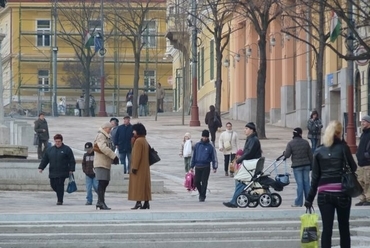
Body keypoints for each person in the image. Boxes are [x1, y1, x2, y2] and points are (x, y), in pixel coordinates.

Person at [304, 120, 357, 248]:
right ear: (339, 133)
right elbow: (353, 167)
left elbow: (315, 177)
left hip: (324, 194)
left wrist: (309, 198)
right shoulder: (344, 148)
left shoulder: (318, 150)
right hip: (342, 192)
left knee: (327, 229)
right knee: (344, 227)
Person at [223, 122, 262, 208]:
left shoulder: (253, 140)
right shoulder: (251, 139)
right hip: (250, 164)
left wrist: (239, 160)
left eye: (247, 128)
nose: (245, 130)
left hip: (251, 165)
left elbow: (248, 153)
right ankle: (236, 198)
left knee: (239, 180)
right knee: (239, 180)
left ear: (252, 130)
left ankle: (234, 201)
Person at [38, 134, 76, 205]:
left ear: (61, 141)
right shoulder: (50, 150)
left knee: (60, 185)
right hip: (53, 171)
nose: (57, 143)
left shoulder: (67, 149)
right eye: (56, 141)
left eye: (59, 141)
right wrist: (41, 167)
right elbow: (45, 160)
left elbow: (71, 160)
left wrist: (71, 169)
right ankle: (59, 192)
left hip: (63, 172)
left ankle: (60, 200)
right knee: (53, 185)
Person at [284, 127, 313, 207]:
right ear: (300, 134)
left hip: (297, 166)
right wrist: (312, 165)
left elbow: (287, 155)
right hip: (306, 165)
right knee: (307, 183)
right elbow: (311, 155)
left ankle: (298, 202)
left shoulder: (291, 143)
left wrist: (284, 153)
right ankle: (308, 201)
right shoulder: (305, 142)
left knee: (300, 184)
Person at [93, 122, 119, 210]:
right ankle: (101, 202)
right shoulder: (101, 136)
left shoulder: (106, 136)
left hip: (105, 163)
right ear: (105, 128)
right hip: (101, 163)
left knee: (105, 182)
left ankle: (100, 201)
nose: (110, 130)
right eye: (109, 128)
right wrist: (114, 156)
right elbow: (103, 147)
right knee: (102, 182)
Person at [128, 123, 152, 210]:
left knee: (138, 186)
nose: (133, 132)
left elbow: (137, 156)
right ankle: (146, 202)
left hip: (139, 168)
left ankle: (138, 202)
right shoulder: (144, 140)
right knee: (145, 186)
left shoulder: (138, 141)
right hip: (144, 167)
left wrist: (134, 167)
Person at [190, 130, 218, 202]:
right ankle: (201, 193)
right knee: (196, 181)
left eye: (206, 137)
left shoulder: (210, 146)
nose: (204, 138)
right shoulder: (197, 145)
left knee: (204, 181)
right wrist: (191, 166)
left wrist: (214, 167)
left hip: (206, 166)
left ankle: (202, 196)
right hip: (198, 166)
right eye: (203, 136)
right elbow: (194, 155)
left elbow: (214, 157)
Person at [355, 115, 370, 206]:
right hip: (361, 162)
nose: (362, 123)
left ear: (368, 122)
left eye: (364, 121)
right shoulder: (363, 133)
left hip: (368, 162)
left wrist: (366, 155)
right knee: (360, 181)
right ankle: (363, 198)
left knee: (368, 181)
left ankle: (368, 199)